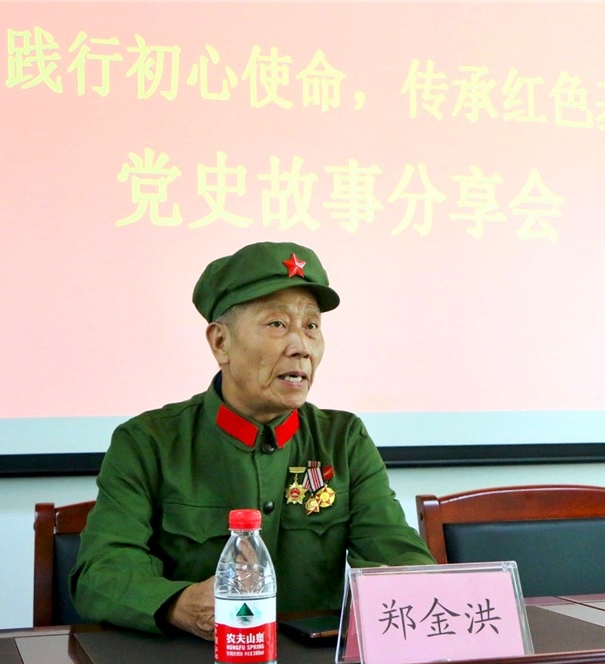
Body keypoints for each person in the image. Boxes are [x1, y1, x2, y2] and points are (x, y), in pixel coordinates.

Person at [69, 241, 435, 639]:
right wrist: (179, 604)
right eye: (277, 324)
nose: (300, 347)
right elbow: (101, 572)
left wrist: (415, 586)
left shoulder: (342, 440)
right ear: (220, 343)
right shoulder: (148, 443)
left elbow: (396, 550)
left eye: (311, 326)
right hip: (194, 661)